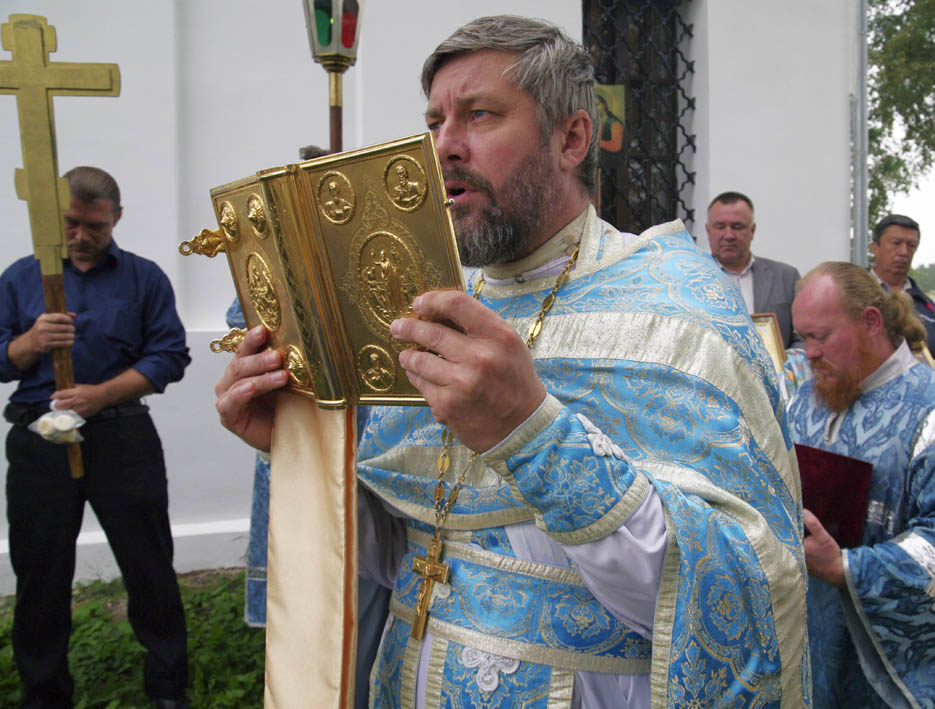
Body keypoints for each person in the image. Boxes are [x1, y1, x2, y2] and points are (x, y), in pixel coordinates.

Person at [215, 16, 808, 707]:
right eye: (434, 121)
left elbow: (739, 597)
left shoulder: (679, 309)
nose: (443, 145)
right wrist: (296, 448)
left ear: (571, 138)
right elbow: (405, 551)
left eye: (479, 115)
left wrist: (532, 434)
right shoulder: (428, 303)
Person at [0, 167, 191, 708]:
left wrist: (100, 395)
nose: (81, 236)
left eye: (96, 226)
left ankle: (168, 691)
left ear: (117, 219)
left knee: (149, 567)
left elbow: (168, 355)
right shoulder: (19, 278)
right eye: (71, 224)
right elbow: (0, 360)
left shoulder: (144, 278)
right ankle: (44, 694)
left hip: (121, 437)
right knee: (40, 575)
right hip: (39, 442)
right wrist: (30, 342)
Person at [224, 142, 390, 709]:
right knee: (309, 590)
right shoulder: (273, 264)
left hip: (373, 451)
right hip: (304, 438)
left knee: (367, 601)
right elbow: (250, 322)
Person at [787, 261, 935, 707]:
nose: (810, 353)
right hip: (808, 648)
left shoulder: (927, 410)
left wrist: (844, 567)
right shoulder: (804, 401)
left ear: (871, 322)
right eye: (803, 338)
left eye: (821, 336)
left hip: (888, 673)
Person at [706, 191, 804, 348]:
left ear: (752, 230)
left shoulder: (786, 277)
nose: (729, 235)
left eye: (737, 226)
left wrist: (790, 361)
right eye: (720, 226)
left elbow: (804, 336)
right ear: (708, 231)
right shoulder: (688, 281)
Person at [869, 213, 935, 356]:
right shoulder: (852, 295)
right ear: (875, 247)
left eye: (911, 245)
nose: (904, 252)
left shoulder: (928, 308)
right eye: (896, 243)